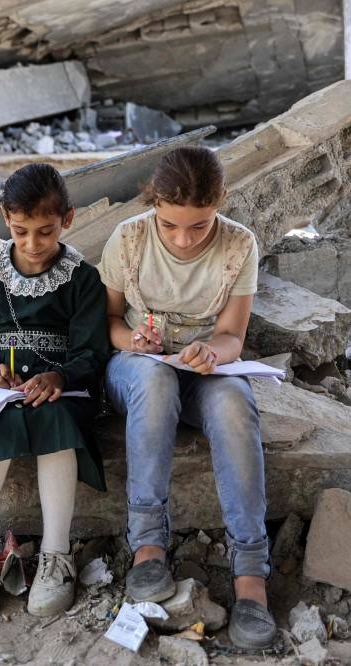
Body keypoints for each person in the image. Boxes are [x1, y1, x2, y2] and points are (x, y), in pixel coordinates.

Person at [97, 145, 277, 649]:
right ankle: (148, 548)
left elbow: (232, 337)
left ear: (221, 202)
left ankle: (251, 576)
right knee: (156, 383)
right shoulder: (128, 239)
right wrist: (134, 341)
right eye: (169, 224)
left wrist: (210, 352)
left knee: (234, 403)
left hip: (203, 370)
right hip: (136, 370)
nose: (182, 239)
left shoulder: (239, 245)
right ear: (152, 203)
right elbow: (108, 321)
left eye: (199, 226)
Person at [0, 164, 109, 616]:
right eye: (20, 231)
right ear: (5, 218)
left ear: (67, 219)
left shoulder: (82, 279)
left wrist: (61, 377)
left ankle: (57, 555)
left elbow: (92, 351)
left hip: (63, 393)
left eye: (45, 231)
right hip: (3, 392)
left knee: (55, 419)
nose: (33, 244)